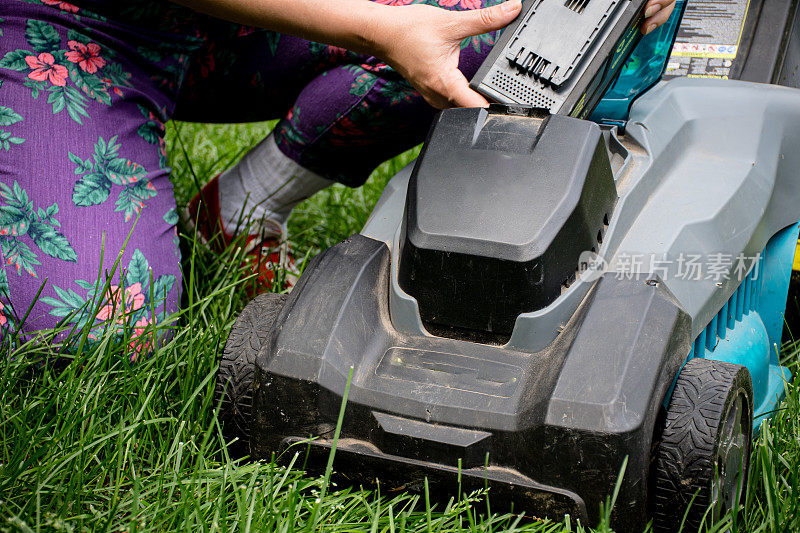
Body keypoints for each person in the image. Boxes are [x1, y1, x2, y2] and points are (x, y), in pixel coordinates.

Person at [0, 0, 676, 346]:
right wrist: (381, 29)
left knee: (513, 19)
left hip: (229, 29)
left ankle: (242, 207)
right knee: (94, 331)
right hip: (69, 23)